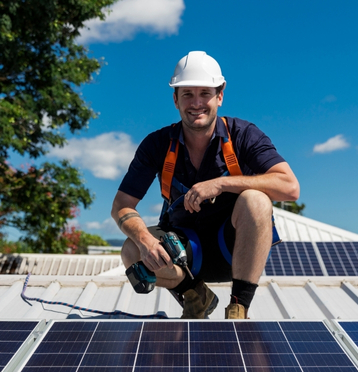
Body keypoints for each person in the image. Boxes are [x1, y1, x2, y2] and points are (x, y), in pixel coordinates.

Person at [111, 51, 300, 319]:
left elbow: (290, 187)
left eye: (205, 93)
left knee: (256, 201)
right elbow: (121, 205)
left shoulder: (243, 135)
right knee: (131, 249)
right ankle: (195, 295)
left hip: (234, 249)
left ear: (220, 96)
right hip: (187, 256)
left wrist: (221, 184)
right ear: (175, 99)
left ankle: (238, 308)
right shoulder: (157, 145)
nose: (196, 103)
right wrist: (144, 241)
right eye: (187, 94)